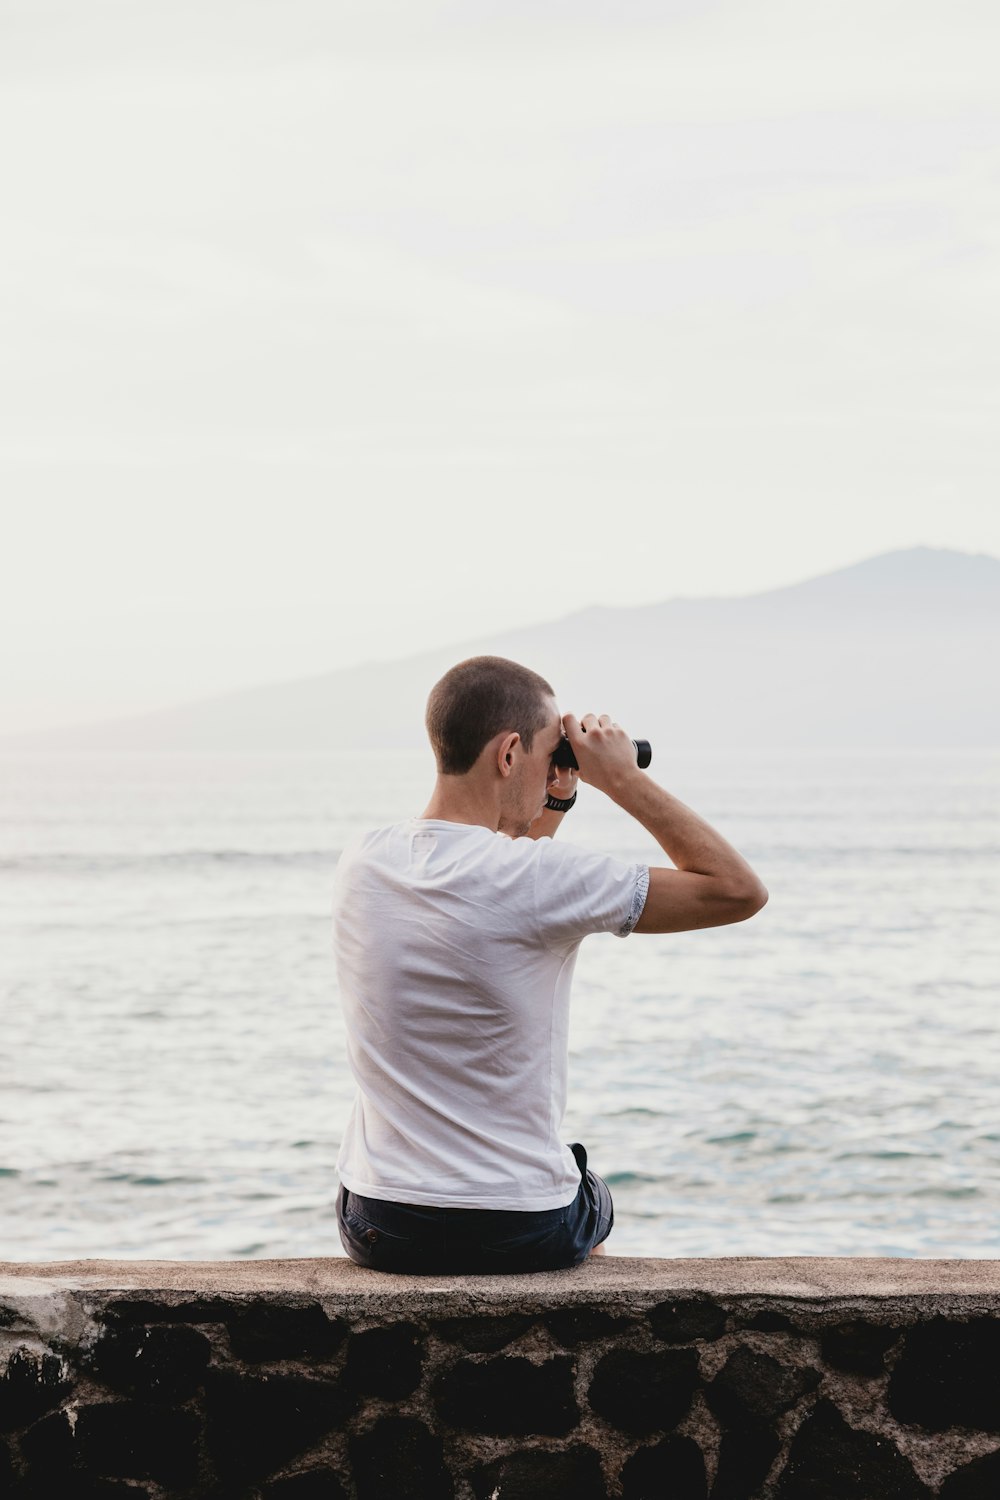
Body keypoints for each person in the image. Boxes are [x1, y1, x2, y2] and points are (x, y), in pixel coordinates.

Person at [332, 655, 767, 1274]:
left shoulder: (363, 860)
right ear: (509, 755)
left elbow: (498, 899)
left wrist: (553, 807)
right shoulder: (540, 879)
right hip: (517, 1222)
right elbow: (738, 891)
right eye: (546, 758)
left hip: (378, 1220)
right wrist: (620, 781)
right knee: (588, 1193)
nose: (548, 775)